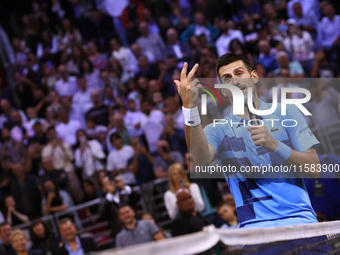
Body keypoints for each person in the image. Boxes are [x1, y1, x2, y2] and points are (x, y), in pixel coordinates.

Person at [173, 53, 322, 229]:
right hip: (254, 232)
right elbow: (201, 159)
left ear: (254, 76)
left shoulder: (287, 113)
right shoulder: (217, 129)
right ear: (222, 89)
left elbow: (315, 170)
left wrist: (275, 145)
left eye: (239, 73)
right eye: (227, 78)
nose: (235, 81)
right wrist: (190, 108)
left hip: (299, 222)